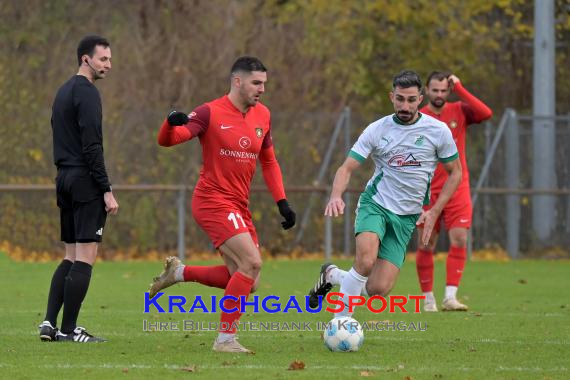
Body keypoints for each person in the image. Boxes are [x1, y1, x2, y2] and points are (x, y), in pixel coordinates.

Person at [149, 56, 296, 353]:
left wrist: (282, 202)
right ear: (237, 81)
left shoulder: (263, 115)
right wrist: (169, 123)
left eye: (265, 83)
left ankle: (179, 273)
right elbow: (169, 140)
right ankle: (225, 340)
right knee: (251, 263)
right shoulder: (209, 112)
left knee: (247, 281)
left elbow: (268, 161)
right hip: (212, 200)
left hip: (238, 205)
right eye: (257, 83)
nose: (262, 89)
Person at [307, 70, 462, 318]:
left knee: (377, 289)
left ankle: (332, 275)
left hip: (407, 216)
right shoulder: (377, 129)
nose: (405, 105)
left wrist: (434, 211)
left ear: (420, 98)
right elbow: (346, 167)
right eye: (400, 98)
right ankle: (340, 322)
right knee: (366, 261)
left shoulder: (438, 131)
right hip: (376, 205)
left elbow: (456, 173)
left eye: (411, 99)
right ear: (392, 97)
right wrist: (336, 195)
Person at [39, 35, 119, 343]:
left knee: (70, 255)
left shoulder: (62, 91)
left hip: (64, 178)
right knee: (85, 256)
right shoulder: (87, 93)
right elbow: (92, 145)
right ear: (85, 59)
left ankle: (49, 323)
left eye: (110, 59)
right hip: (85, 180)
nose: (108, 65)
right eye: (103, 59)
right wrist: (106, 189)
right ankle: (69, 329)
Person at [415, 72, 492, 312]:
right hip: (427, 192)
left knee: (460, 238)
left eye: (443, 90)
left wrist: (460, 87)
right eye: (435, 90)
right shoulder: (418, 117)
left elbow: (485, 113)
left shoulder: (459, 110)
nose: (439, 95)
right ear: (427, 90)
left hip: (457, 188)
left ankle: (450, 297)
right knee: (426, 243)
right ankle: (428, 299)